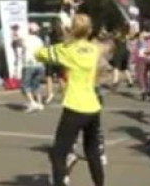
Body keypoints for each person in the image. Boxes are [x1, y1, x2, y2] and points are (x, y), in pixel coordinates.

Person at [35, 14, 103, 186]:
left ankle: (60, 181)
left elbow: (39, 54)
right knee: (93, 152)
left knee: (58, 153)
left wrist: (65, 39)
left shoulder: (67, 50)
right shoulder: (93, 49)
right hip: (93, 105)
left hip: (75, 105)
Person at [20, 23, 46, 113]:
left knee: (25, 86)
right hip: (39, 64)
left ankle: (32, 102)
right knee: (36, 85)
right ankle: (39, 103)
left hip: (28, 64)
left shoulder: (26, 39)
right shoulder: (40, 40)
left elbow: (19, 45)